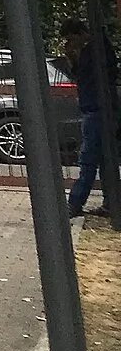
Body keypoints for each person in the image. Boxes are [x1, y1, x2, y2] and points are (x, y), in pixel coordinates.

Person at [66, 18, 115, 217]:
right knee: (105, 160)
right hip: (97, 108)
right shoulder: (95, 49)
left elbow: (87, 77)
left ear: (79, 34)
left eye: (71, 39)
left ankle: (75, 203)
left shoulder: (94, 50)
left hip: (96, 110)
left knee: (88, 161)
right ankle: (111, 202)